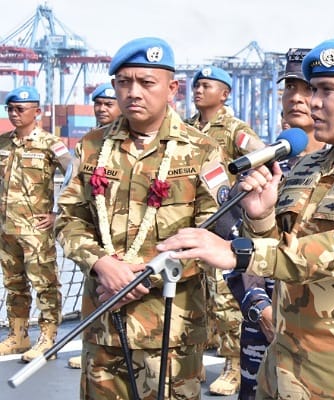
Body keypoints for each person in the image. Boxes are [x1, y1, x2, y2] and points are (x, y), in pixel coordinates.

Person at [157, 36, 334, 399]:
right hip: (284, 365)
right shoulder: (311, 166)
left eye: (327, 90)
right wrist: (262, 216)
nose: (313, 102)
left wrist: (237, 252)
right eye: (313, 90)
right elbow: (282, 246)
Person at [56, 37, 226, 399]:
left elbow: (213, 234)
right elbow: (68, 219)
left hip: (170, 329)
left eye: (146, 83)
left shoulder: (202, 151)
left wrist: (140, 276)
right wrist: (102, 264)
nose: (133, 92)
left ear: (172, 88)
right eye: (124, 82)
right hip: (103, 323)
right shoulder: (90, 146)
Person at [222, 47, 324, 400]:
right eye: (289, 89)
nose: (296, 98)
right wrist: (259, 308)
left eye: (308, 89)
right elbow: (229, 246)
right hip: (261, 331)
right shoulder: (263, 167)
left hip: (320, 333)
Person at [186, 64, 266, 396]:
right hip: (192, 228)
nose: (199, 90)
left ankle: (233, 363)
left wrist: (238, 197)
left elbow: (262, 158)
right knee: (195, 301)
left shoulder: (235, 130)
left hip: (224, 229)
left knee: (224, 301)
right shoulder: (186, 128)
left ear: (225, 94)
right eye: (197, 85)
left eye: (207, 85)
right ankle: (194, 365)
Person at [0, 86, 71, 362]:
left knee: (45, 284)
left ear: (37, 112)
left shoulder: (50, 144)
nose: (14, 114)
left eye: (20, 109)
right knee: (13, 284)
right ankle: (18, 335)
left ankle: (48, 337)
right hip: (7, 230)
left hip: (36, 230)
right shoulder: (3, 144)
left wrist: (58, 214)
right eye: (10, 109)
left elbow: (74, 178)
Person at [66, 82, 122, 370]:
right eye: (97, 103)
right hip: (96, 248)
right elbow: (70, 202)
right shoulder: (88, 145)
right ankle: (95, 345)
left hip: (144, 261)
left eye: (107, 104)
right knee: (94, 293)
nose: (101, 109)